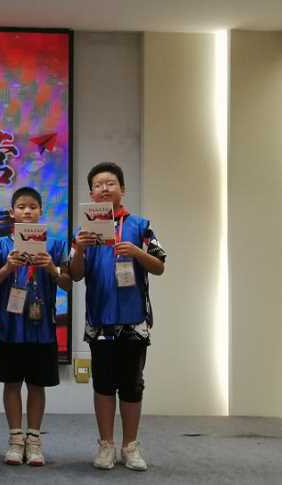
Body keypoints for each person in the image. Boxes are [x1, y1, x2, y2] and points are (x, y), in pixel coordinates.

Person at [68, 162, 167, 472]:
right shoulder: (83, 232)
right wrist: (80, 250)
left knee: (132, 385)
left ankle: (130, 447)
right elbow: (74, 275)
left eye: (110, 183)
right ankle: (106, 445)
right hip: (100, 320)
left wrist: (137, 252)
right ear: (91, 194)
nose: (105, 188)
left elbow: (160, 266)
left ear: (122, 189)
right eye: (98, 185)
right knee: (102, 384)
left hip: (133, 321)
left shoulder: (140, 225)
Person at [0, 187, 71, 467]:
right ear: (12, 213)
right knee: (11, 384)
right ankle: (15, 439)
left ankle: (34, 439)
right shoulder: (0, 245)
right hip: (10, 328)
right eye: (21, 207)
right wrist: (8, 268)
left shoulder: (55, 245)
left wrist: (52, 268)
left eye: (33, 207)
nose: (27, 211)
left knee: (37, 385)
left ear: (41, 212)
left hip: (42, 329)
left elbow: (70, 283)